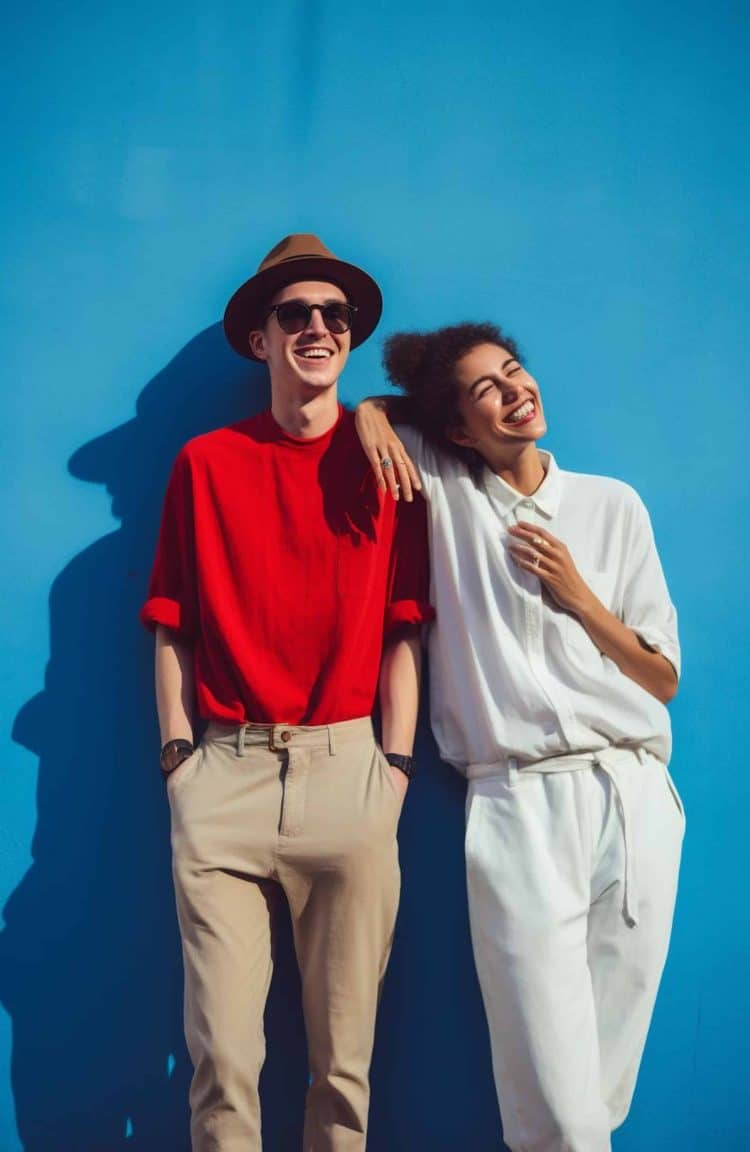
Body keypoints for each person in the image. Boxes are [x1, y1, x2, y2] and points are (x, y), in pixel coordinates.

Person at [356, 322, 684, 1152]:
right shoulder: (450, 495)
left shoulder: (614, 505)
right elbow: (387, 417)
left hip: (633, 794)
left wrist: (579, 595)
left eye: (514, 371)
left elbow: (663, 677)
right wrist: (367, 412)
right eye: (486, 390)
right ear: (457, 429)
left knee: (600, 1090)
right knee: (555, 1093)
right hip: (518, 800)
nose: (515, 390)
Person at [140, 234, 433, 1152]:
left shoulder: (391, 470)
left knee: (344, 1068)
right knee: (223, 1062)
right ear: (260, 340)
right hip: (222, 772)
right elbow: (170, 621)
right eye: (294, 313)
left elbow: (404, 629)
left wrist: (391, 767)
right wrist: (179, 757)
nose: (316, 325)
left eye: (334, 315)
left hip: (349, 770)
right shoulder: (206, 463)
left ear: (349, 338)